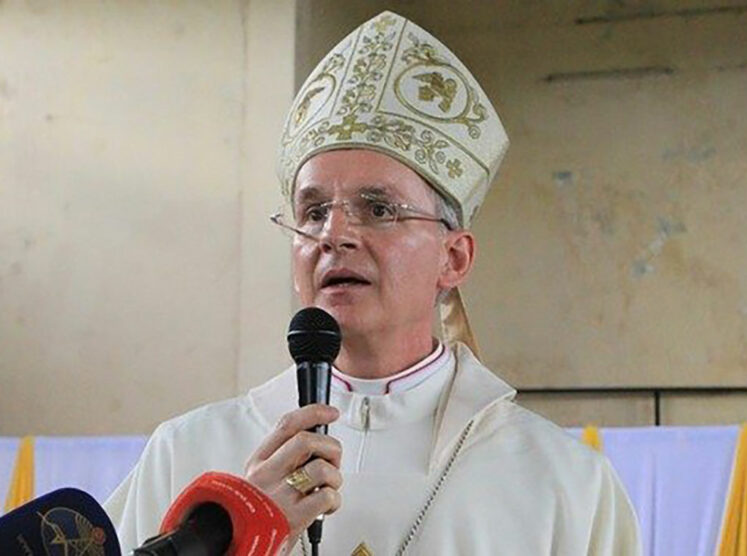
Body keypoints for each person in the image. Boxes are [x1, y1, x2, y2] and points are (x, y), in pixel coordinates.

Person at [105, 11, 641, 555]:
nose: (333, 235)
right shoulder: (189, 453)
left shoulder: (563, 484)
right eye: (313, 212)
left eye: (378, 208)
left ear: (453, 258)